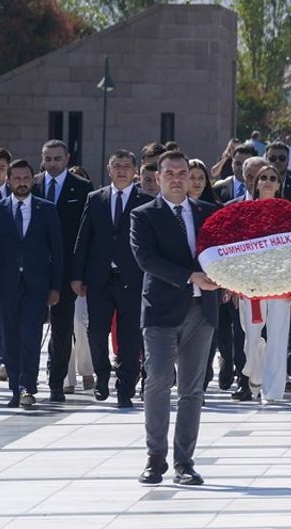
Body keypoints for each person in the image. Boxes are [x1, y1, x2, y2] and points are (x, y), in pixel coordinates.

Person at [129, 151, 220, 485]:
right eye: (170, 173)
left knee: (192, 389)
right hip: (161, 311)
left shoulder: (210, 213)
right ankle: (155, 458)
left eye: (183, 172)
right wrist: (190, 276)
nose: (178, 179)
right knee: (158, 380)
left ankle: (184, 462)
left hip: (202, 311)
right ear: (157, 177)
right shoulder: (143, 215)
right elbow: (145, 258)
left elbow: (225, 253)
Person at [0, 159, 64, 408]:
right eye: (17, 178)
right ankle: (16, 387)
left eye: (26, 178)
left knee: (31, 335)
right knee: (10, 336)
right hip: (5, 283)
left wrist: (55, 287)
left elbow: (57, 251)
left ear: (32, 180)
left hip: (37, 284)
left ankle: (28, 387)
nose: (22, 183)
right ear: (10, 180)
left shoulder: (46, 209)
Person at [70, 150, 155, 407]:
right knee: (96, 331)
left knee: (130, 336)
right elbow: (83, 238)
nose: (121, 170)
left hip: (132, 278)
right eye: (116, 166)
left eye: (126, 166)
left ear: (135, 170)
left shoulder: (145, 199)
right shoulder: (95, 198)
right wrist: (77, 275)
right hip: (99, 277)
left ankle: (125, 387)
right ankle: (103, 375)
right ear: (109, 169)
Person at [33, 140, 95, 402]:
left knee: (62, 328)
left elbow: (86, 234)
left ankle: (57, 382)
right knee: (30, 327)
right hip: (34, 269)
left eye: (57, 158)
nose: (52, 163)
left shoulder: (82, 188)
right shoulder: (31, 184)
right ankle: (25, 380)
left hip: (67, 271)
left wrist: (81, 274)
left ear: (67, 158)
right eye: (47, 158)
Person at [234, 163, 291, 404]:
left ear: (279, 184)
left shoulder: (289, 213)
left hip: (280, 284)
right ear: (256, 183)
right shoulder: (243, 213)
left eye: (273, 178)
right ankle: (256, 375)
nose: (268, 181)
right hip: (252, 285)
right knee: (252, 336)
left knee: (278, 336)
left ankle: (274, 391)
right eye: (263, 178)